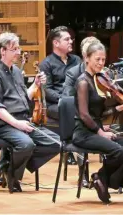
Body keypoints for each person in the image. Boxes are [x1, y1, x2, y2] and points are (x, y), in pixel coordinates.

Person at [0, 32, 60, 193]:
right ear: (3, 51)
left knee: (55, 142)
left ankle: (9, 168)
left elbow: (25, 97)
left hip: (22, 120)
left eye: (18, 48)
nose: (18, 52)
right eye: (14, 49)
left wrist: (36, 84)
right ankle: (13, 177)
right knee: (26, 144)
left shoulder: (16, 71)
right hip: (2, 124)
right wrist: (18, 124)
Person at [63, 36, 123, 186]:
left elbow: (103, 112)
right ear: (87, 59)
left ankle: (106, 181)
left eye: (103, 60)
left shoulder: (98, 81)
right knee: (120, 152)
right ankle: (101, 178)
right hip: (84, 133)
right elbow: (84, 115)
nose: (100, 63)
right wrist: (101, 132)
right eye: (97, 59)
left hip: (97, 129)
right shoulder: (83, 82)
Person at [39, 26, 81, 166]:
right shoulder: (46, 63)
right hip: (55, 103)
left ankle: (87, 143)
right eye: (67, 39)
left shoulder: (76, 60)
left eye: (71, 39)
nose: (71, 42)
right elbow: (46, 90)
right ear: (56, 43)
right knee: (67, 109)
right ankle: (68, 148)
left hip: (76, 100)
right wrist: (64, 100)